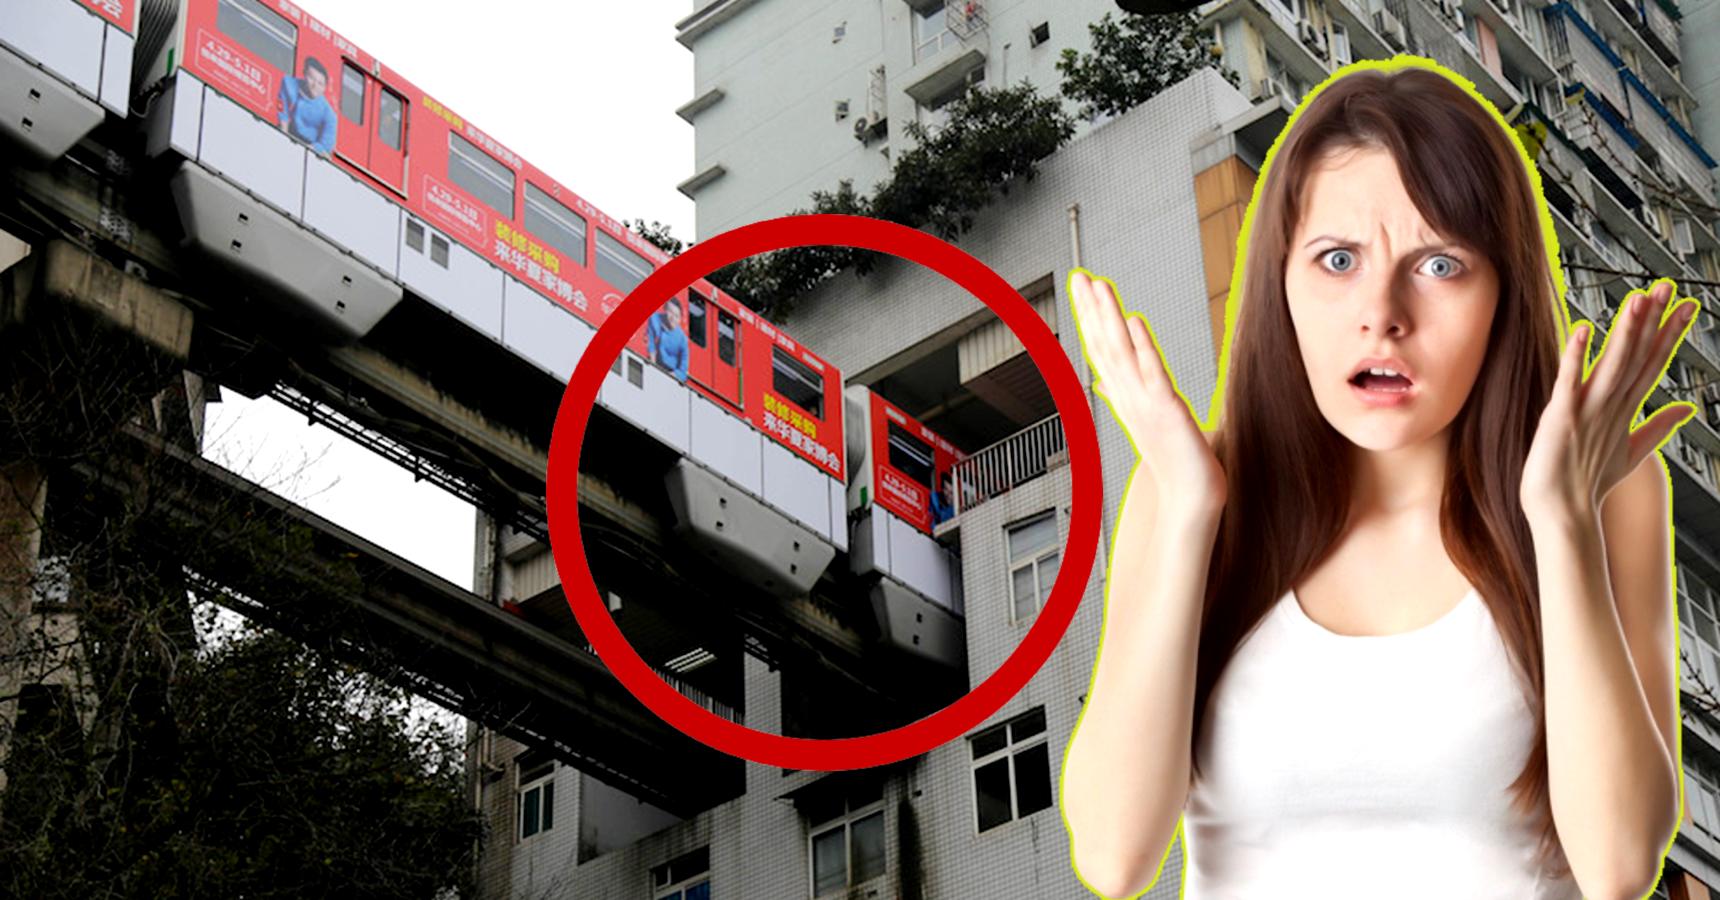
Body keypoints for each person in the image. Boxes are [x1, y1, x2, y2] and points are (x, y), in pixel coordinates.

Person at [1061, 59, 1691, 900]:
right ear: (1279, 283)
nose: (1383, 313)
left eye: (1440, 265)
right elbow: (1113, 856)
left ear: (1504, 294)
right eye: (1337, 260)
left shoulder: (1606, 488)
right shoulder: (1187, 495)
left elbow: (1618, 863)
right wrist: (1189, 508)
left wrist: (1560, 517)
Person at [277, 56, 337, 157]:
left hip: (311, 148)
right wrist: (284, 141)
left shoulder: (329, 114)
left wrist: (304, 152)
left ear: (325, 88)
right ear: (304, 74)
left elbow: (326, 145)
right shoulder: (288, 84)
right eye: (312, 78)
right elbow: (283, 114)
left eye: (320, 83)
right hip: (290, 132)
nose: (315, 86)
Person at [645, 299, 688, 384]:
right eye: (670, 312)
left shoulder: (682, 339)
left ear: (680, 318)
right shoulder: (654, 319)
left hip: (671, 374)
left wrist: (668, 376)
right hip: (654, 364)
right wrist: (653, 369)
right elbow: (651, 345)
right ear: (665, 310)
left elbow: (683, 371)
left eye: (677, 316)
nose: (673, 318)